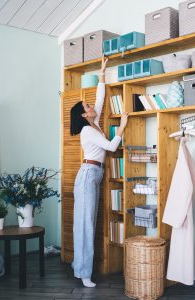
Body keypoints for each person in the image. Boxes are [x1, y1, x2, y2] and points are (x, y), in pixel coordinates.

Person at [70, 56, 129, 287]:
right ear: (84, 115)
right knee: (85, 224)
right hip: (88, 175)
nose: (92, 106)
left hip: (93, 175)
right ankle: (84, 273)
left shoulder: (94, 125)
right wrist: (123, 124)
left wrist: (102, 71)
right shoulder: (87, 131)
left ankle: (79, 264)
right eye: (87, 107)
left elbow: (100, 97)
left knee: (86, 222)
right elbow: (112, 147)